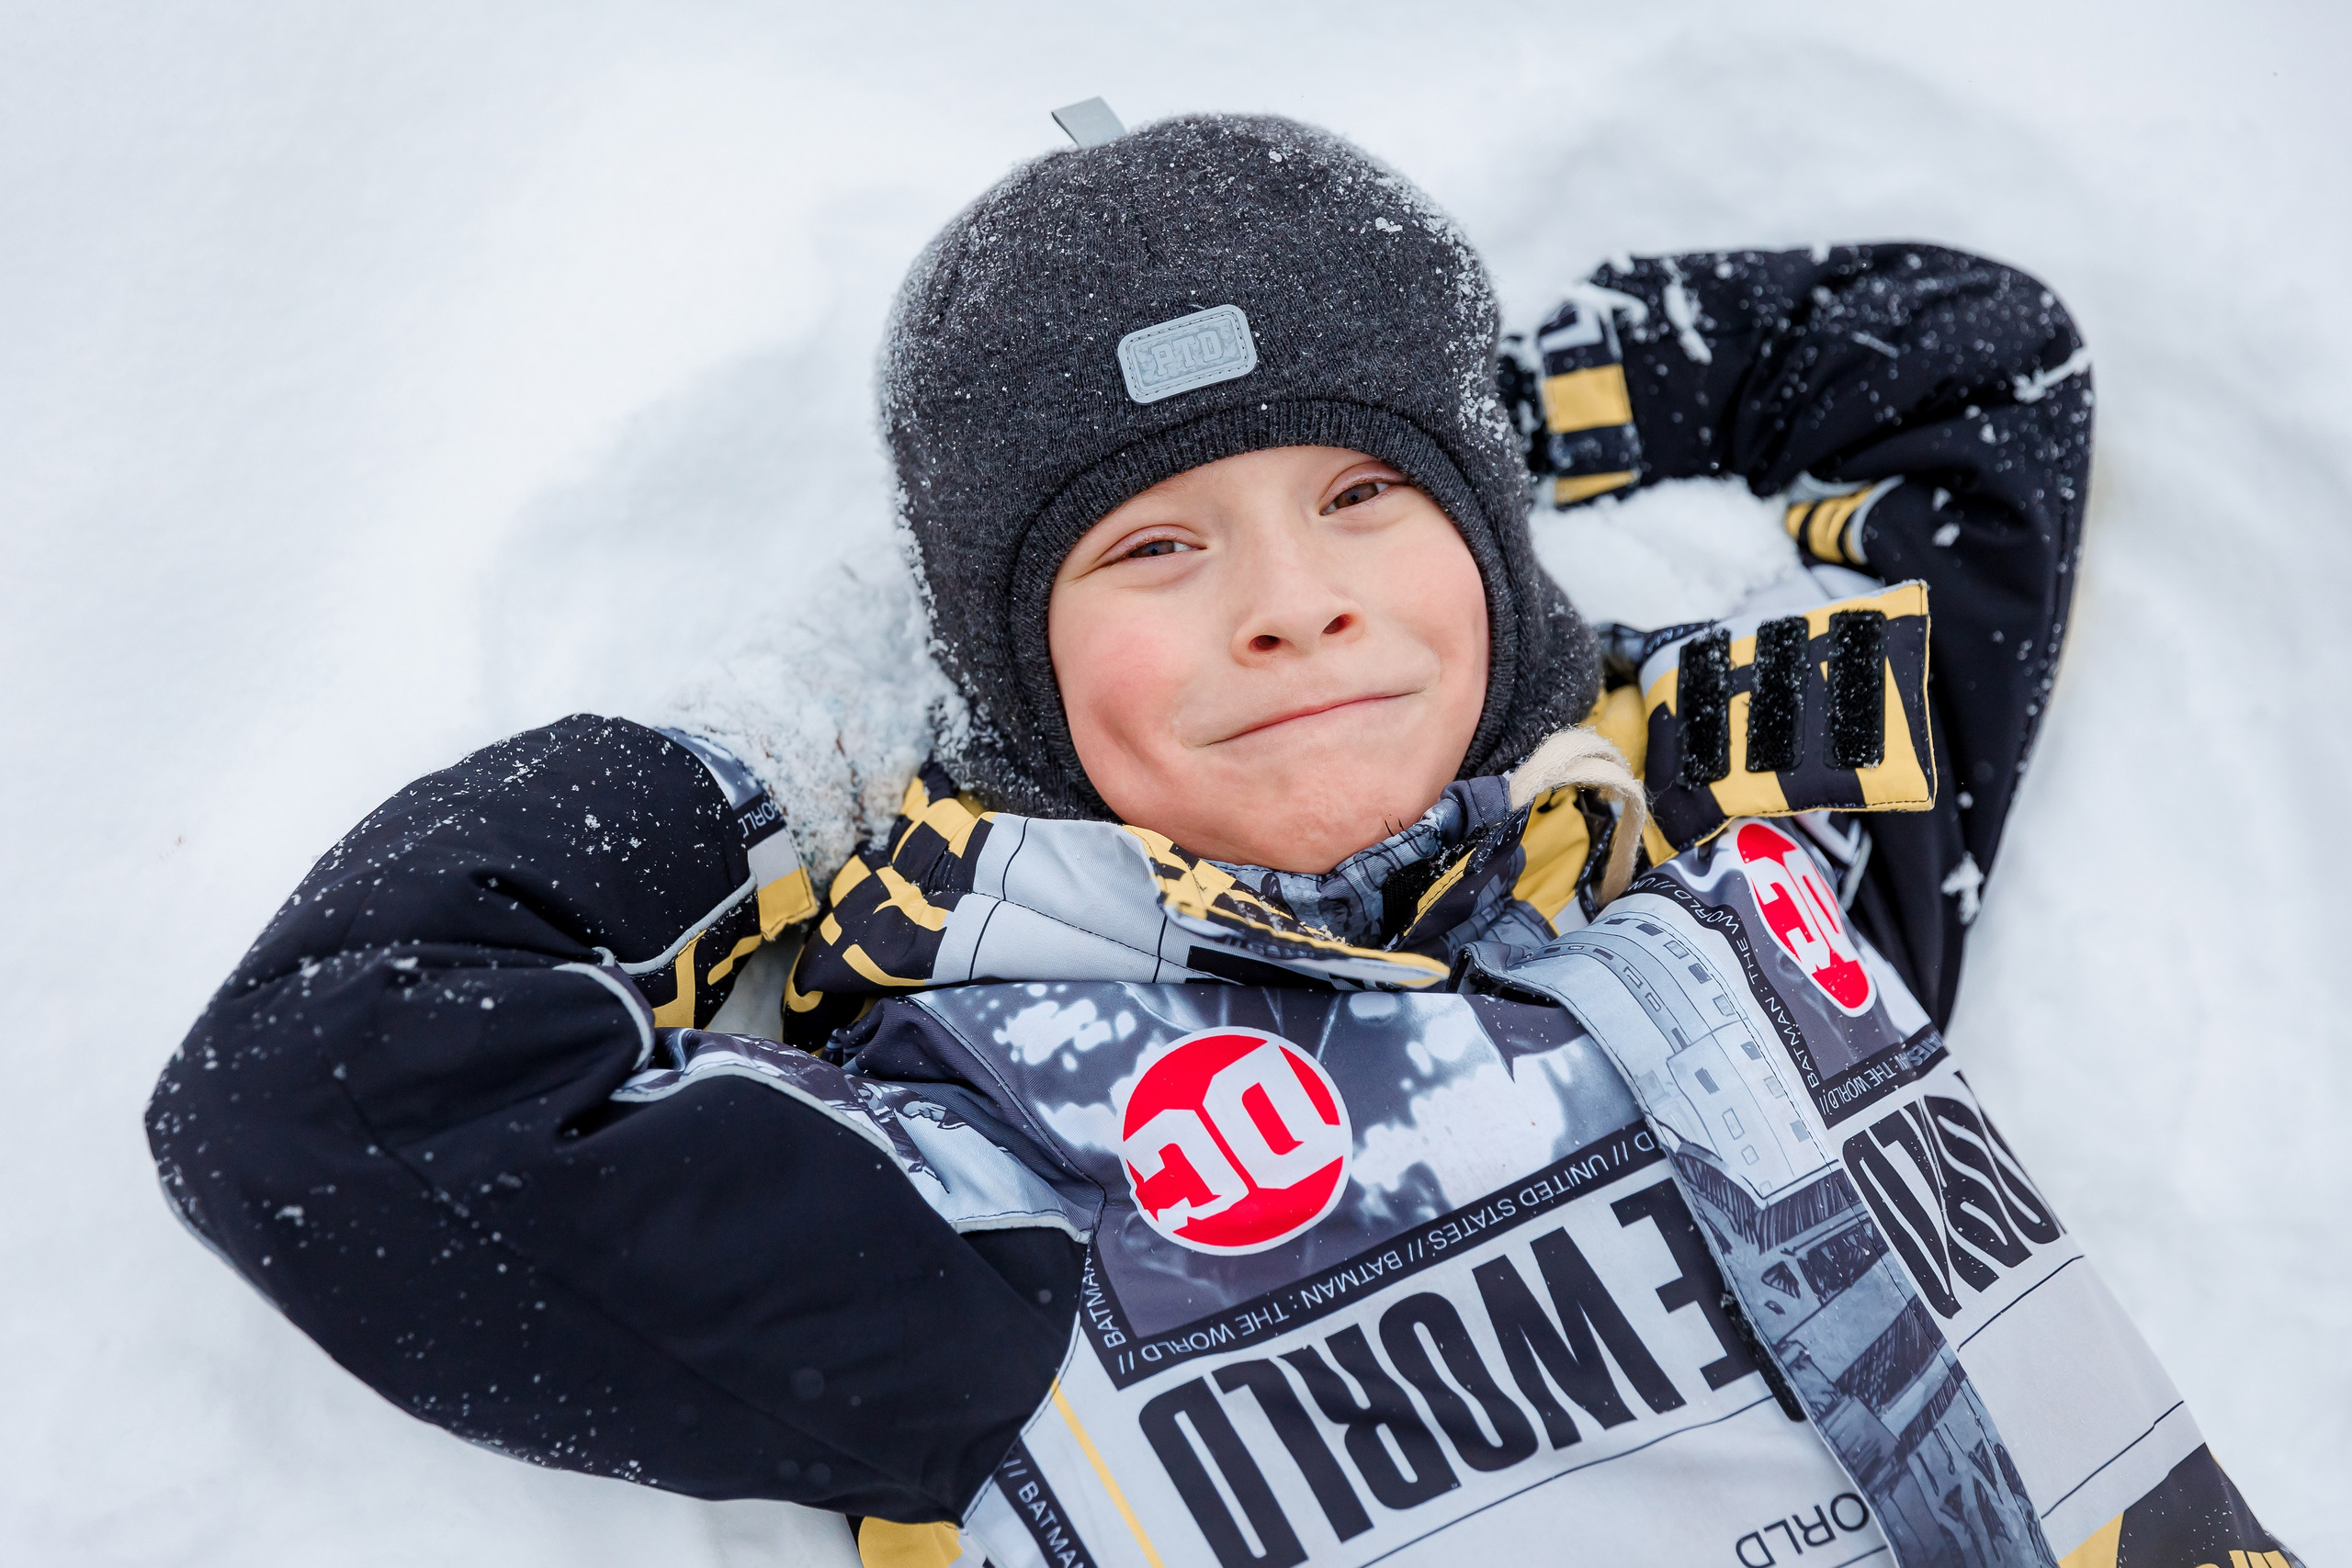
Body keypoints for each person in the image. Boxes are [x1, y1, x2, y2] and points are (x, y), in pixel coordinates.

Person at [148, 113, 2295, 1568]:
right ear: (993, 660)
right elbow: (321, 1088)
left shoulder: (1749, 851)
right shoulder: (977, 1167)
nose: (1290, 599)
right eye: (1154, 543)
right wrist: (770, 758)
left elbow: (1961, 373)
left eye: (1363, 504)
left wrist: (1464, 410)